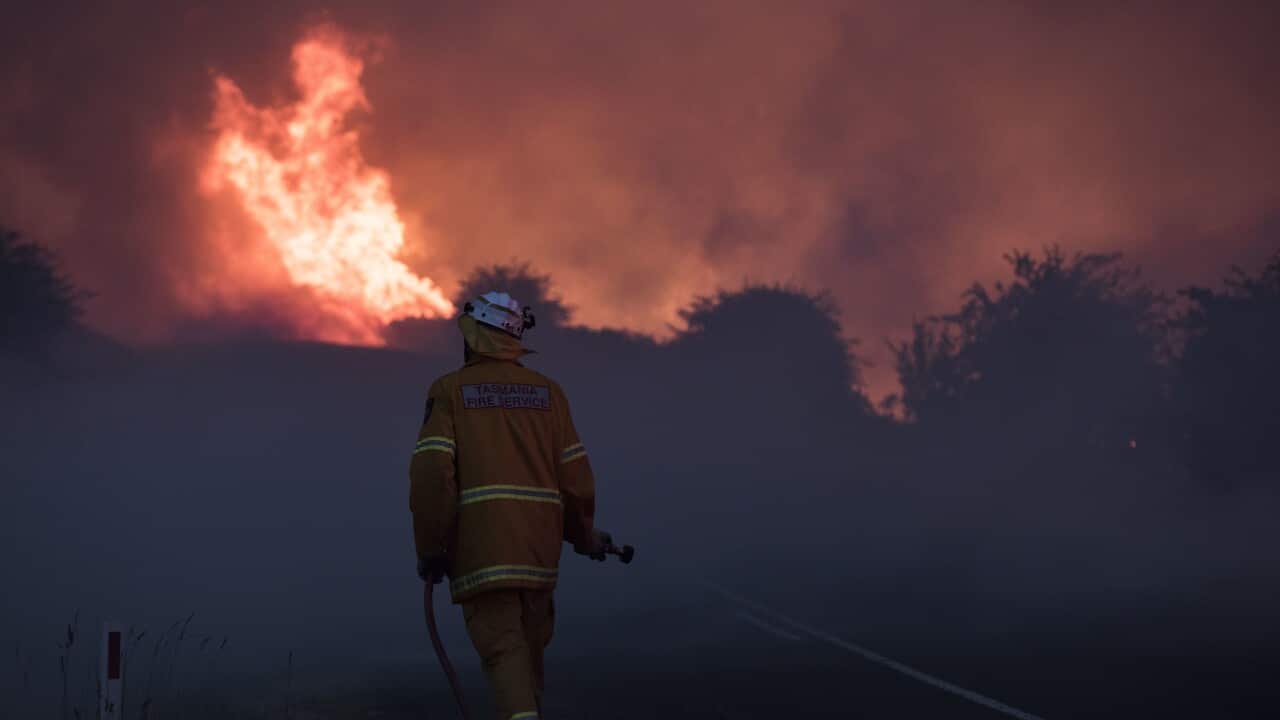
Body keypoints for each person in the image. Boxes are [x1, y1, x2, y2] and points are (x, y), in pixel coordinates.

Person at [409, 291, 611, 720]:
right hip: (538, 559)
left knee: (505, 659)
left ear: (473, 339)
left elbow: (431, 477)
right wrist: (583, 535)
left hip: (482, 555)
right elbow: (576, 480)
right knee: (527, 668)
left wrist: (431, 548)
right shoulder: (549, 394)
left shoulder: (449, 391)